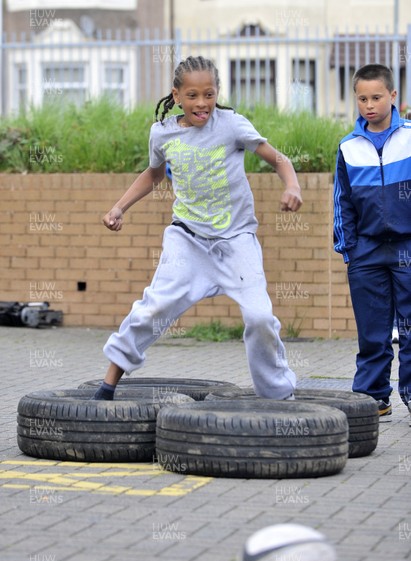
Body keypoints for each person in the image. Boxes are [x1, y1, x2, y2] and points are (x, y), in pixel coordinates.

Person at [92, 55, 303, 402]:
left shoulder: (231, 125)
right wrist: (119, 207)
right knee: (154, 308)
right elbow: (154, 174)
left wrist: (292, 186)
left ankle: (280, 399)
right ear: (176, 95)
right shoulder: (162, 133)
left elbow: (279, 158)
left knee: (260, 316)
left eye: (208, 94)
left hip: (237, 242)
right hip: (187, 241)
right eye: (192, 95)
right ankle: (108, 383)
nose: (201, 103)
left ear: (217, 92)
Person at [333, 63, 411, 424]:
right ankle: (373, 398)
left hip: (407, 249)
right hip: (366, 251)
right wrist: (349, 249)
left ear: (393, 97)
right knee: (372, 333)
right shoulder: (349, 148)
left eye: (376, 97)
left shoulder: (409, 137)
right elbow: (342, 200)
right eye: (362, 98)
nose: (369, 104)